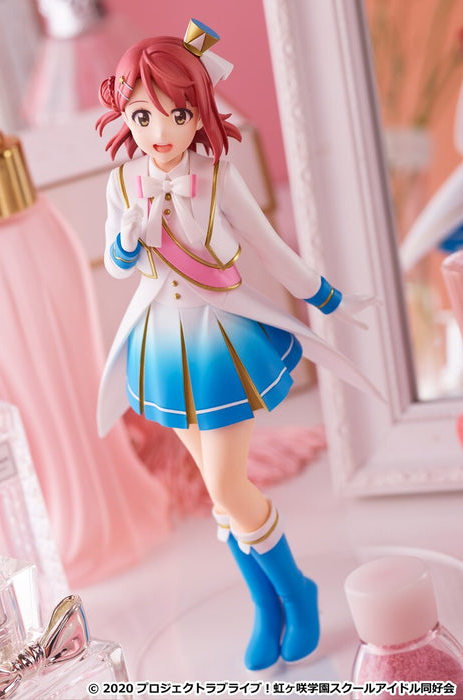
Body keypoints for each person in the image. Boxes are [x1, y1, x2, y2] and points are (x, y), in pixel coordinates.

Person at [96, 19, 376, 670]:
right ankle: (266, 603)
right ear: (126, 115)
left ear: (199, 112)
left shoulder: (217, 174)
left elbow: (269, 248)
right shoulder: (122, 183)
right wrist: (127, 240)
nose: (159, 131)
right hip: (162, 345)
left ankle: (296, 592)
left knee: (225, 483)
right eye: (143, 116)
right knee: (216, 485)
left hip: (220, 338)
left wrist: (328, 297)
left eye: (177, 114)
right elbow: (114, 263)